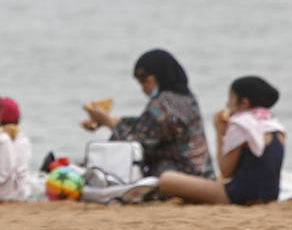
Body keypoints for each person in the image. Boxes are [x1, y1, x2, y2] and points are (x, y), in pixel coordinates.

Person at [81, 49, 214, 182]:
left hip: (179, 176)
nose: (142, 87)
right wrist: (113, 120)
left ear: (159, 77)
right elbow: (150, 125)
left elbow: (133, 145)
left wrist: (107, 121)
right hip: (203, 174)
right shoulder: (185, 99)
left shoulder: (161, 105)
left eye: (144, 79)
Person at [155, 76, 286, 204]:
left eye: (231, 99)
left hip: (239, 195)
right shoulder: (275, 126)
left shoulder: (241, 124)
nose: (227, 105)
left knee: (166, 179)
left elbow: (226, 171)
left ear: (244, 103)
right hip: (271, 195)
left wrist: (219, 131)